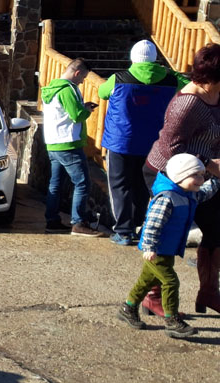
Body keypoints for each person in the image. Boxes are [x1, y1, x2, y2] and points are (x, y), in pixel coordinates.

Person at [140, 43, 220, 316]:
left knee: (216, 230)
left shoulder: (216, 95)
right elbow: (171, 153)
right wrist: (207, 164)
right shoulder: (186, 104)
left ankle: (209, 293)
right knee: (166, 235)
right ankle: (152, 297)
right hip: (169, 176)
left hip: (206, 176)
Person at [98, 40, 189, 246]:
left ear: (133, 58)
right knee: (142, 184)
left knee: (119, 185)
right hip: (153, 142)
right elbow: (187, 85)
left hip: (121, 141)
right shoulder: (171, 81)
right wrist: (172, 73)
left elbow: (101, 93)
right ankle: (138, 224)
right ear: (155, 59)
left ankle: (123, 231)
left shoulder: (118, 78)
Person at [117, 154, 218, 338]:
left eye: (202, 175)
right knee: (170, 282)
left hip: (167, 250)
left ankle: (128, 308)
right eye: (195, 175)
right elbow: (152, 225)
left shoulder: (188, 193)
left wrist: (217, 180)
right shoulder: (166, 198)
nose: (200, 179)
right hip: (157, 250)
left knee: (147, 281)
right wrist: (149, 247)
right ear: (180, 176)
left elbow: (205, 192)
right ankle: (172, 321)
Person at [42, 58, 103, 237]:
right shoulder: (68, 89)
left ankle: (52, 221)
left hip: (53, 143)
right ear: (77, 73)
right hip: (68, 143)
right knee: (82, 183)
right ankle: (78, 223)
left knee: (55, 184)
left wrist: (82, 107)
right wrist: (87, 110)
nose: (82, 81)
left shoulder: (52, 87)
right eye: (83, 77)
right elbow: (76, 115)